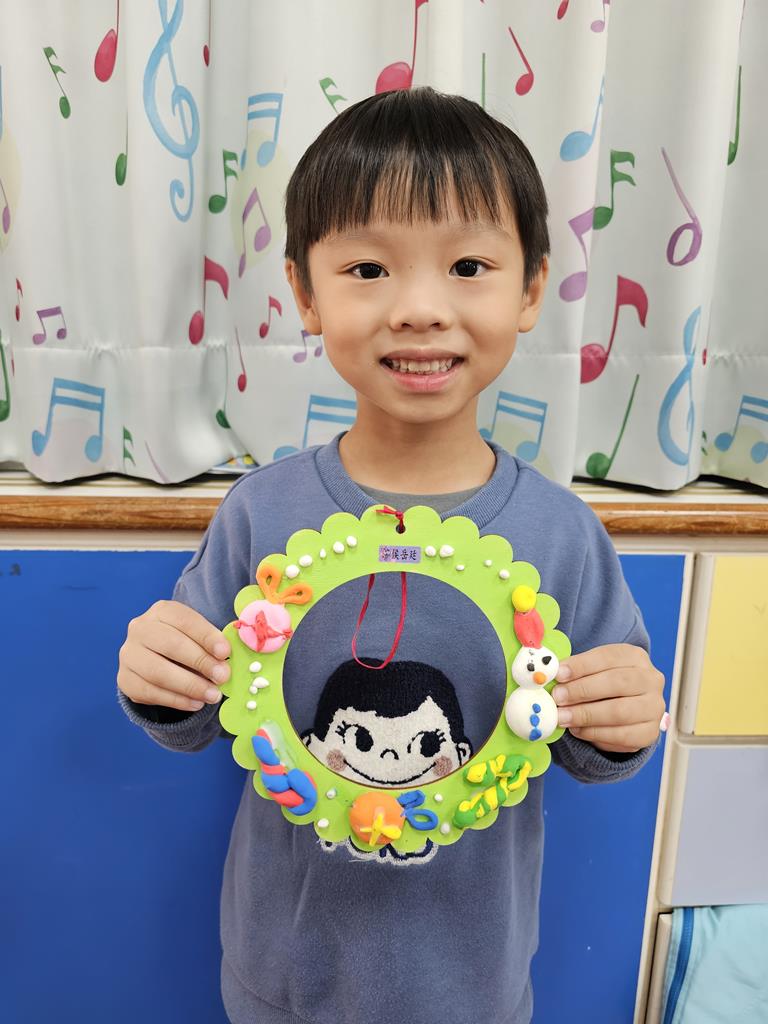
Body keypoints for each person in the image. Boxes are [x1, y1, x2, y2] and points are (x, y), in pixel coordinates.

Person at [117, 86, 665, 1024]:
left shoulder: (564, 534)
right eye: (367, 268)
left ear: (531, 289)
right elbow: (202, 713)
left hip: (470, 988)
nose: (418, 309)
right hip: (282, 979)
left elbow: (593, 741)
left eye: (468, 266)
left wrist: (620, 720)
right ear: (305, 292)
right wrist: (159, 680)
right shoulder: (260, 512)